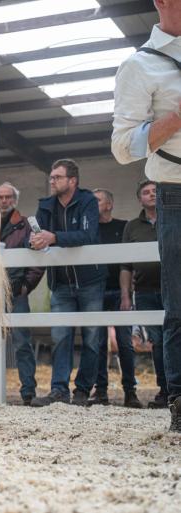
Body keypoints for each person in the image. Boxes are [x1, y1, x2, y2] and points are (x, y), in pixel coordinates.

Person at [112, 0, 181, 431]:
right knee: (179, 305)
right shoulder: (139, 66)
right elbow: (123, 148)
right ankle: (180, 401)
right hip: (176, 191)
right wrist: (176, 119)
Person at [29, 159, 105, 407]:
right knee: (60, 336)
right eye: (51, 177)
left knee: (92, 338)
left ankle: (82, 390)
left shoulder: (87, 201)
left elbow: (88, 235)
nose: (52, 181)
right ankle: (58, 390)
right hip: (60, 283)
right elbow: (38, 237)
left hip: (90, 281)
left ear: (72, 181)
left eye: (57, 177)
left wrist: (54, 237)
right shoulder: (45, 205)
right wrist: (35, 241)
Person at [0, 182, 44, 406]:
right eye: (0, 197)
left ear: (15, 200)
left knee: (22, 341)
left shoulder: (26, 225)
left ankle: (28, 392)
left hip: (16, 291)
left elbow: (39, 258)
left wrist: (26, 286)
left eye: (8, 197)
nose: (4, 201)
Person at [90, 188, 142, 408]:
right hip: (95, 292)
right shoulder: (88, 230)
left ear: (109, 204)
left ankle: (130, 392)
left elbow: (128, 262)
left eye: (98, 200)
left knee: (125, 344)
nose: (93, 204)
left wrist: (126, 293)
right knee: (98, 344)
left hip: (119, 292)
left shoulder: (124, 227)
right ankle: (100, 391)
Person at [121, 181, 166, 408]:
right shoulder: (132, 227)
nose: (151, 195)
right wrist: (126, 295)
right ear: (140, 199)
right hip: (145, 292)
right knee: (156, 341)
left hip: (174, 289)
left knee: (175, 338)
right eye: (146, 192)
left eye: (154, 191)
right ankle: (165, 391)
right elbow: (125, 264)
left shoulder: (173, 219)